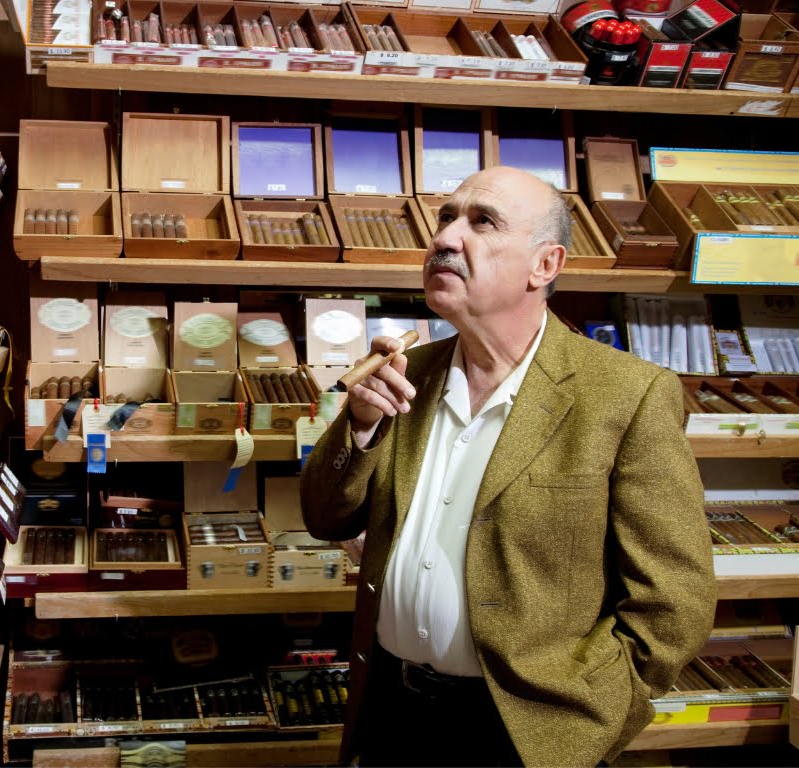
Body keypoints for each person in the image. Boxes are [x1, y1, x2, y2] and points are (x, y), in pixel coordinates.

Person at [300, 166, 716, 767]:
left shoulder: (627, 394)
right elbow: (325, 518)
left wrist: (590, 719)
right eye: (446, 217)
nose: (445, 238)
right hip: (392, 710)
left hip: (527, 733)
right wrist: (359, 426)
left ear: (544, 266)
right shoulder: (405, 374)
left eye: (482, 222)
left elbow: (674, 600)